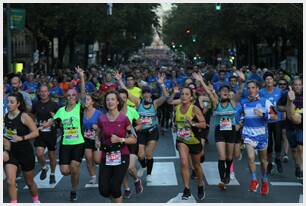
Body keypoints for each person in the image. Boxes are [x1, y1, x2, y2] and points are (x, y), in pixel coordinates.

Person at [193, 71, 245, 190]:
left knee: (229, 157)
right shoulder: (216, 103)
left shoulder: (233, 102)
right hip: (219, 132)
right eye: (223, 91)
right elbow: (208, 92)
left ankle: (227, 173)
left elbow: (240, 91)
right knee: (221, 156)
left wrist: (242, 81)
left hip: (231, 131)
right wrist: (201, 81)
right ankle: (222, 179)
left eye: (227, 91)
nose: (225, 92)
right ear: (220, 94)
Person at [96, 91, 137, 203]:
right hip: (106, 156)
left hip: (122, 155)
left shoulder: (124, 119)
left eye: (113, 99)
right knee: (103, 190)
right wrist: (97, 141)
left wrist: (121, 139)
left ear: (118, 102)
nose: (110, 102)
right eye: (108, 100)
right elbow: (98, 134)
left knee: (115, 187)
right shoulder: (102, 119)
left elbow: (134, 139)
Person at [52, 66, 86, 201]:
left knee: (74, 167)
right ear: (66, 97)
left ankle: (74, 190)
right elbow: (53, 120)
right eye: (69, 95)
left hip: (78, 143)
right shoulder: (61, 110)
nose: (71, 97)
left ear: (76, 97)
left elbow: (83, 94)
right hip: (65, 143)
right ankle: (74, 171)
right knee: (65, 171)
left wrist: (81, 77)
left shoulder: (79, 107)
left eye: (74, 95)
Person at [240, 80, 278, 196]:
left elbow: (275, 117)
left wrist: (263, 115)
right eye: (249, 88)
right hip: (248, 134)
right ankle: (254, 180)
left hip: (262, 135)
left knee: (263, 161)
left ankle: (264, 180)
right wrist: (240, 119)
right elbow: (239, 115)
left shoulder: (265, 102)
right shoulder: (244, 102)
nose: (250, 90)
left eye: (253, 88)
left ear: (257, 89)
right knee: (250, 157)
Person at [169, 85, 207, 200]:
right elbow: (169, 103)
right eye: (182, 94)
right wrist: (175, 126)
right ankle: (186, 189)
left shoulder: (194, 108)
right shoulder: (177, 108)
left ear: (191, 97)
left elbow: (203, 124)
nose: (184, 96)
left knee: (196, 166)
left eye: (187, 94)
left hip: (194, 140)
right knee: (184, 162)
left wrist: (193, 124)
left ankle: (200, 184)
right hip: (182, 140)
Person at [4, 92, 40, 203]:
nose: (9, 104)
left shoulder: (24, 116)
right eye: (8, 102)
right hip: (11, 152)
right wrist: (5, 148)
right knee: (10, 181)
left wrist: (22, 137)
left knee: (29, 182)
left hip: (25, 152)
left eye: (12, 102)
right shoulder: (5, 117)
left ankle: (36, 201)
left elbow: (36, 133)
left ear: (18, 104)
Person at [134, 73, 168, 182]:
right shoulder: (138, 103)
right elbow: (126, 92)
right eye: (144, 93)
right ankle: (143, 166)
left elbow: (165, 96)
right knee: (140, 155)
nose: (146, 95)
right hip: (141, 131)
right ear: (142, 94)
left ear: (150, 94)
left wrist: (162, 84)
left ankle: (148, 174)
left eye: (148, 92)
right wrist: (120, 81)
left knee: (148, 154)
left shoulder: (155, 103)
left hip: (153, 131)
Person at [118, 89, 144, 199]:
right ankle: (127, 188)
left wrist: (132, 130)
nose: (122, 100)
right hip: (119, 142)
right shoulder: (114, 112)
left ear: (127, 99)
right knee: (122, 168)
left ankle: (137, 179)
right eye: (120, 98)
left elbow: (140, 124)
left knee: (130, 166)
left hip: (131, 141)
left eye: (124, 98)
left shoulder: (132, 110)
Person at [32, 85, 59, 184]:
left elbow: (59, 120)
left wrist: (54, 119)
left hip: (51, 134)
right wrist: (34, 123)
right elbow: (32, 115)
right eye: (41, 91)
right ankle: (44, 167)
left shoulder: (54, 105)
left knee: (52, 156)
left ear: (48, 92)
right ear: (39, 93)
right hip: (40, 133)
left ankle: (52, 174)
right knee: (39, 153)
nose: (43, 93)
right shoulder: (36, 104)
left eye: (45, 91)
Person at [277, 78, 303, 179]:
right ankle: (297, 165)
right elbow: (278, 107)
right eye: (295, 85)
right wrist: (288, 108)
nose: (297, 86)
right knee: (294, 149)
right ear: (292, 85)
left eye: (299, 85)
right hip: (290, 125)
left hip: (302, 124)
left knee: (301, 147)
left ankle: (301, 168)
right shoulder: (287, 94)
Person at [259, 72, 283, 174]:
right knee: (269, 144)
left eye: (271, 79)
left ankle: (278, 158)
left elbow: (284, 104)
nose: (269, 81)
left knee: (278, 142)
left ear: (274, 81)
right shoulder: (261, 92)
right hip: (266, 121)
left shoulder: (280, 91)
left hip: (277, 120)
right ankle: (269, 162)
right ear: (264, 81)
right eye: (267, 79)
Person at [83, 93, 103, 185]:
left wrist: (97, 127)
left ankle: (105, 172)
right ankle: (93, 176)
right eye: (85, 99)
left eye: (87, 99)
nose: (85, 101)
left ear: (92, 102)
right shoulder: (82, 112)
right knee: (88, 158)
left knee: (97, 160)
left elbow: (104, 127)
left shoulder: (98, 113)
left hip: (97, 139)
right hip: (86, 139)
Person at [277, 79, 289, 162]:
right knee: (278, 138)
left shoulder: (288, 93)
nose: (282, 85)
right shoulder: (275, 92)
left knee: (285, 135)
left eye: (284, 84)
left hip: (285, 118)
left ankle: (285, 154)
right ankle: (278, 155)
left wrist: (285, 112)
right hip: (275, 118)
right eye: (280, 84)